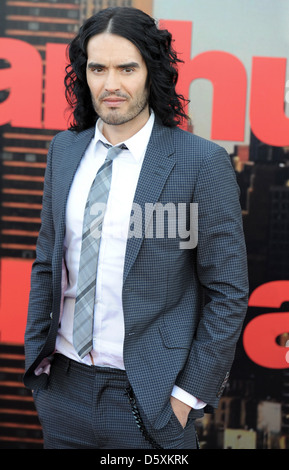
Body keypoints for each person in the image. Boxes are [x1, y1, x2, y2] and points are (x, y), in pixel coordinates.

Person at [24, 6, 248, 449]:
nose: (111, 84)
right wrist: (39, 360)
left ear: (151, 72)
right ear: (82, 75)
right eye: (98, 68)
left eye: (127, 68)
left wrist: (185, 398)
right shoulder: (64, 151)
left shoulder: (199, 163)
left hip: (149, 406)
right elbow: (47, 261)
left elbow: (228, 290)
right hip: (63, 393)